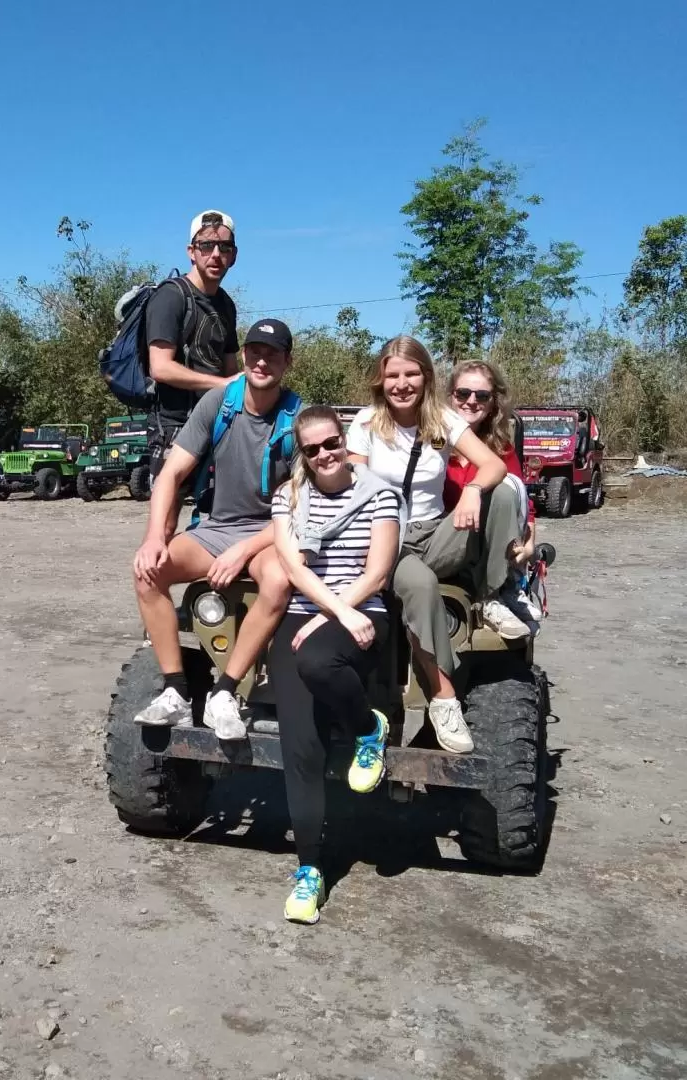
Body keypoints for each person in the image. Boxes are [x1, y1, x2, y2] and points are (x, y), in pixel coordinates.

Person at [346, 336, 527, 756]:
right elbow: (354, 488)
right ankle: (445, 700)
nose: (402, 384)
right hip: (388, 539)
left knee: (500, 491)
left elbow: (495, 464)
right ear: (381, 379)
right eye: (393, 375)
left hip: (434, 532)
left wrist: (472, 492)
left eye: (411, 373)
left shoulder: (443, 419)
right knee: (422, 584)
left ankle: (492, 595)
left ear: (426, 376)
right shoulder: (366, 423)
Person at [132, 319, 298, 741]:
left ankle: (225, 691)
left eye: (273, 354)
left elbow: (299, 507)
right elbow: (170, 474)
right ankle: (176, 692)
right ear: (243, 356)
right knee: (148, 570)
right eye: (255, 352)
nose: (262, 361)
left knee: (278, 581)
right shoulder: (219, 403)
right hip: (216, 528)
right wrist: (156, 537)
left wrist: (242, 553)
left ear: (286, 362)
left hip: (269, 533)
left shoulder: (298, 419)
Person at [269, 405, 401, 924]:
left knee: (319, 664)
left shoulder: (379, 493)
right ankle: (310, 870)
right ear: (300, 454)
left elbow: (380, 571)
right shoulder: (289, 497)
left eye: (331, 444)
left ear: (345, 442)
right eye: (311, 449)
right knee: (298, 745)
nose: (324, 454)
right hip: (307, 614)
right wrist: (328, 611)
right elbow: (293, 569)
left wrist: (342, 612)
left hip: (365, 615)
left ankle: (369, 728)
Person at [143, 210, 240, 510]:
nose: (215, 255)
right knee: (166, 521)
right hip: (175, 427)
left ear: (233, 256)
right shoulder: (171, 296)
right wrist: (222, 384)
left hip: (217, 425)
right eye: (206, 246)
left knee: (223, 517)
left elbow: (232, 370)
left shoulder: (226, 305)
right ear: (191, 252)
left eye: (224, 248)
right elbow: (160, 367)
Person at [445, 361, 542, 628]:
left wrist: (530, 543)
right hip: (443, 541)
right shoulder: (432, 441)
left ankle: (499, 592)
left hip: (488, 546)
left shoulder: (501, 447)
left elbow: (522, 502)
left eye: (482, 396)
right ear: (451, 396)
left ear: (492, 403)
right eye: (463, 393)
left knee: (506, 485)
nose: (471, 402)